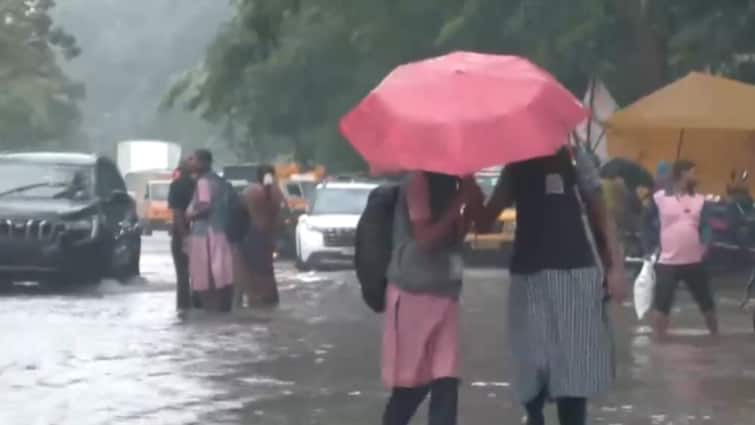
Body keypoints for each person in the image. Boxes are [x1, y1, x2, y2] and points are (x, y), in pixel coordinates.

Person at [479, 145, 624, 425]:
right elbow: (486, 220)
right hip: (528, 276)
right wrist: (469, 188)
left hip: (575, 275)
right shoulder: (516, 164)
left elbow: (602, 216)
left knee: (574, 372)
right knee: (531, 364)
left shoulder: (575, 159)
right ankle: (533, 416)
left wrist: (615, 268)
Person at [381, 171, 481, 425]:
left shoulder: (452, 182)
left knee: (446, 381)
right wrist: (460, 200)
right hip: (413, 293)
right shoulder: (417, 180)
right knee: (411, 386)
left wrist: (471, 198)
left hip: (446, 292)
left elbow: (458, 234)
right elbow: (424, 238)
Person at [647, 160, 717, 339]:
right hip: (667, 262)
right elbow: (645, 222)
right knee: (661, 305)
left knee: (707, 304)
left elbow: (706, 226)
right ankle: (657, 342)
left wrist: (705, 245)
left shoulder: (700, 200)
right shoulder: (660, 198)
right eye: (692, 172)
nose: (696, 176)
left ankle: (715, 337)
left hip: (694, 260)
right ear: (681, 174)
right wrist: (648, 248)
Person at [185, 149, 235, 312]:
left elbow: (205, 206)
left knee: (205, 280)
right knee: (222, 278)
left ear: (203, 163)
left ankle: (211, 317)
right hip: (221, 232)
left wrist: (190, 214)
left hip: (205, 235)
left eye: (192, 159)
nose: (189, 162)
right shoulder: (221, 182)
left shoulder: (203, 182)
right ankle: (221, 315)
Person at [238, 164, 284, 306]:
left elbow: (239, 211)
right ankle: (270, 301)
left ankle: (255, 301)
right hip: (270, 236)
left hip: (254, 234)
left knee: (252, 271)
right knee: (267, 270)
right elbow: (281, 216)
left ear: (257, 175)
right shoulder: (278, 192)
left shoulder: (250, 191)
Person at [168, 159, 197, 311]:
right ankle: (196, 306)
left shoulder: (177, 185)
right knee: (198, 275)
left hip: (182, 235)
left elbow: (177, 213)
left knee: (183, 276)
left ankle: (183, 308)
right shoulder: (199, 184)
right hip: (199, 233)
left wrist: (184, 236)